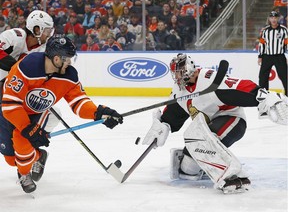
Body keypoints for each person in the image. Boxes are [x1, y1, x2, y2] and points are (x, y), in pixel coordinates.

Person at [141, 53, 288, 194]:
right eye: (175, 73)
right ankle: (208, 167)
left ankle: (234, 176)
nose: (177, 77)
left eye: (179, 72)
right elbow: (173, 114)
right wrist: (163, 125)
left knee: (202, 141)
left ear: (189, 69)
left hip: (232, 120)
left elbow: (240, 86)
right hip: (206, 129)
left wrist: (264, 96)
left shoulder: (209, 79)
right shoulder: (179, 91)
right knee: (188, 168)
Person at [0, 35, 123, 194]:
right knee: (11, 160)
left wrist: (99, 113)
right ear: (56, 59)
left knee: (22, 140)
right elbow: (10, 104)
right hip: (10, 111)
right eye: (67, 59)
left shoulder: (69, 76)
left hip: (37, 113)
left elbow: (79, 102)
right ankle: (38, 156)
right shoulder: (27, 66)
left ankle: (24, 175)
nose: (69, 63)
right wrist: (27, 127)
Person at [0, 10, 54, 79]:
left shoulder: (43, 49)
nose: (49, 35)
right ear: (37, 30)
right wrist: (17, 67)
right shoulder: (15, 36)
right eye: (47, 31)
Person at [258, 11, 288, 96]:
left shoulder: (284, 30)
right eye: (272, 18)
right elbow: (262, 44)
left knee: (285, 76)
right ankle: (264, 96)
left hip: (279, 56)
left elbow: (287, 43)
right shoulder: (265, 31)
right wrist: (260, 56)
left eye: (275, 18)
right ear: (269, 19)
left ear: (278, 18)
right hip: (267, 56)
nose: (273, 19)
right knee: (263, 77)